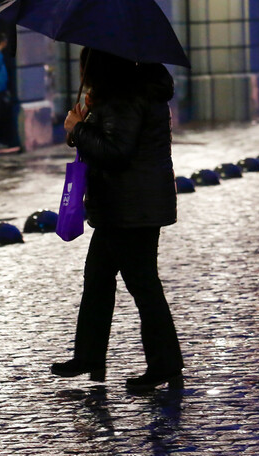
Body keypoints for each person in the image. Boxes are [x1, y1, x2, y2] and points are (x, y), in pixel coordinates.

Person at [51, 47, 184, 392]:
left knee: (143, 286)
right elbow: (109, 143)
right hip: (123, 207)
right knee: (97, 279)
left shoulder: (124, 99)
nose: (81, 72)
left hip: (129, 209)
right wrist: (82, 126)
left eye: (84, 65)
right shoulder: (125, 94)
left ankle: (164, 365)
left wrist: (79, 128)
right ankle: (89, 357)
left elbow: (116, 152)